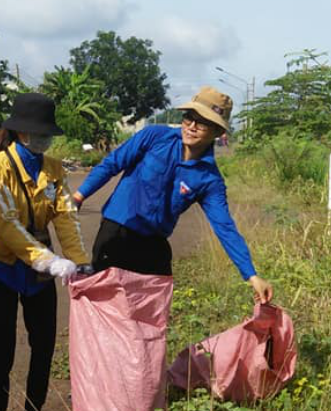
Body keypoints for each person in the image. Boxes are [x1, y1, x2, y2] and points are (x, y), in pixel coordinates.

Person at [72, 85, 273, 302]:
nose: (192, 126)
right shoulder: (154, 137)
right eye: (189, 118)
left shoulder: (209, 179)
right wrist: (79, 196)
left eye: (203, 123)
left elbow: (224, 226)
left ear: (218, 132)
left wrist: (251, 275)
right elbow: (111, 164)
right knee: (106, 305)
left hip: (153, 244)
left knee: (149, 310)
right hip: (116, 233)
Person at [0, 92, 91, 411]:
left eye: (47, 134)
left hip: (40, 268)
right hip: (3, 266)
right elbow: (6, 227)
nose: (43, 140)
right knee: (2, 349)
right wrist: (50, 262)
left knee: (43, 343)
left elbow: (66, 217)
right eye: (37, 133)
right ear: (20, 132)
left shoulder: (53, 168)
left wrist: (78, 260)